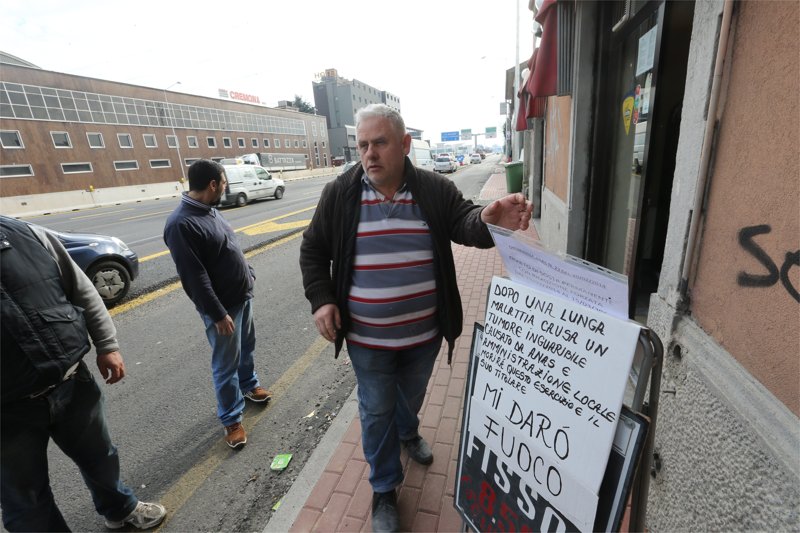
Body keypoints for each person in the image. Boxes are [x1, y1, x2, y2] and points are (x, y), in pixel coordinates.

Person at [299, 103, 533, 532]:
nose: (369, 154)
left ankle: (408, 432)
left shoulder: (430, 188)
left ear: (405, 145)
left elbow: (465, 223)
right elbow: (313, 249)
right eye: (362, 145)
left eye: (380, 143)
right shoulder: (341, 194)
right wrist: (322, 299)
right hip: (368, 340)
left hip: (424, 335)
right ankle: (385, 488)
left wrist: (488, 218)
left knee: (410, 397)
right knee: (375, 409)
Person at [0, 215, 167, 531]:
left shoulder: (25, 234)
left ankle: (120, 509)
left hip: (73, 382)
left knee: (101, 457)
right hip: (6, 413)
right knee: (25, 501)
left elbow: (81, 289)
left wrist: (107, 344)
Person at [163, 159, 272, 450]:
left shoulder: (211, 211)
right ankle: (231, 419)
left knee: (246, 348)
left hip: (241, 296)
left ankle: (249, 386)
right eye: (224, 183)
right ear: (213, 184)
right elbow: (194, 278)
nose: (225, 187)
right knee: (225, 365)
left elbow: (229, 245)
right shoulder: (181, 224)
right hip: (222, 309)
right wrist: (218, 313)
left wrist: (247, 273)